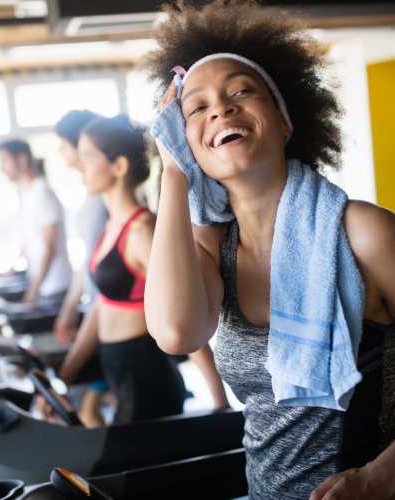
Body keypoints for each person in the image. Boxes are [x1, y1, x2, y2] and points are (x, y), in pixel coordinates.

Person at [144, 1, 395, 500]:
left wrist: (377, 477)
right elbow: (176, 332)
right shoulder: (210, 251)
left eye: (242, 90)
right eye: (196, 108)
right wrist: (173, 172)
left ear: (284, 121)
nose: (221, 107)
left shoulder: (362, 233)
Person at [58, 114, 187, 424]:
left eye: (88, 156)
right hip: (118, 369)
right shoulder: (110, 226)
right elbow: (104, 304)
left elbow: (179, 318)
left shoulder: (142, 230)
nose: (78, 164)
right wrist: (67, 372)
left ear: (119, 166)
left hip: (146, 379)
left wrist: (220, 406)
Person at [53, 110, 110, 427]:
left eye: (63, 146)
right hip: (93, 309)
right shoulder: (90, 194)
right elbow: (87, 262)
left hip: (106, 311)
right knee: (89, 408)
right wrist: (69, 310)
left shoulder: (104, 197)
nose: (62, 155)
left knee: (88, 408)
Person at [0, 139, 72, 306]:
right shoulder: (26, 193)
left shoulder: (41, 193)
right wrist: (12, 269)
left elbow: (49, 247)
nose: (2, 169)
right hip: (43, 284)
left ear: (22, 159)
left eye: (4, 161)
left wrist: (33, 290)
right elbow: (30, 239)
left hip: (55, 286)